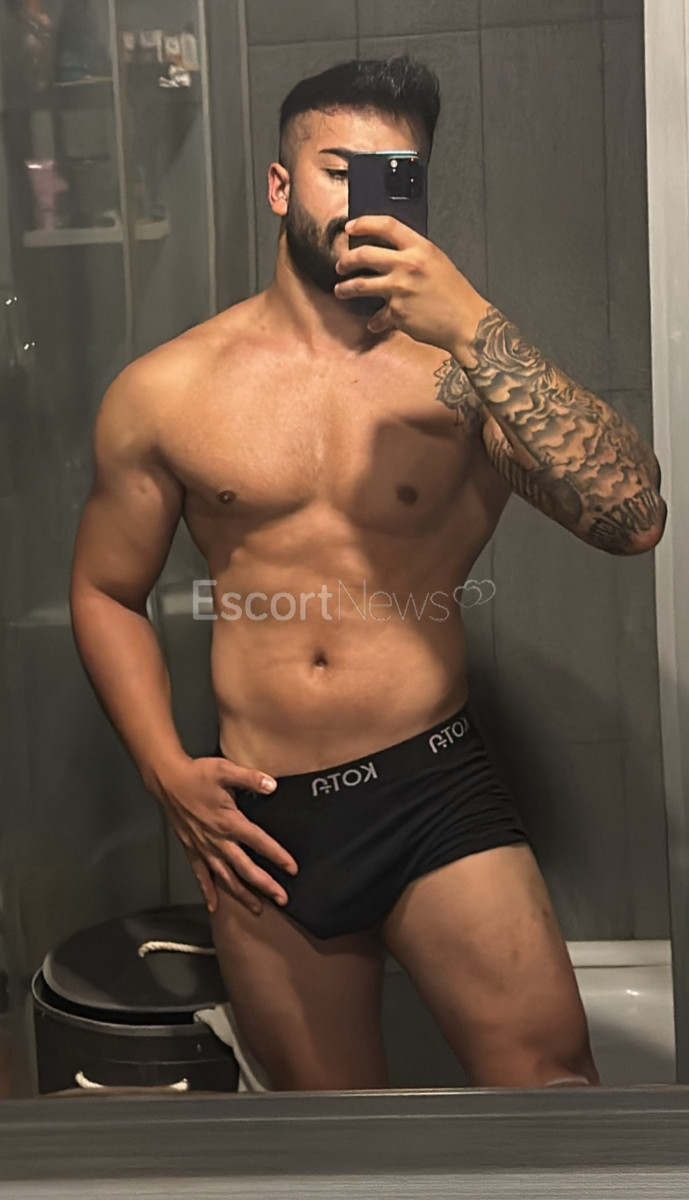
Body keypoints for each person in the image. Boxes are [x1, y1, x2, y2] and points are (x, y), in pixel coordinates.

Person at [70, 56, 666, 1092]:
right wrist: (166, 771)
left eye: (394, 175)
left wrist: (470, 322)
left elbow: (633, 517)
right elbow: (105, 592)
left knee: (552, 1094)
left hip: (433, 786)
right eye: (337, 170)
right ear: (279, 185)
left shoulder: (463, 373)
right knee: (329, 1134)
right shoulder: (166, 390)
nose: (361, 199)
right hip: (265, 816)